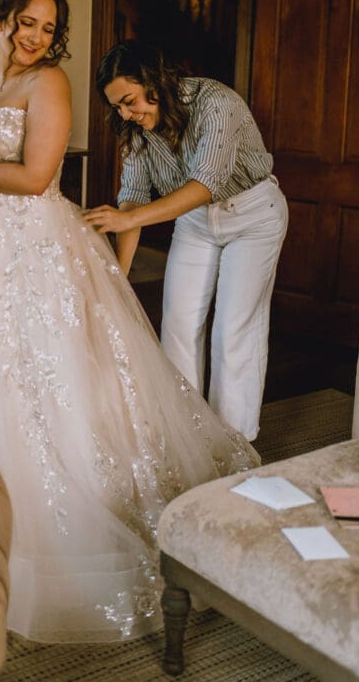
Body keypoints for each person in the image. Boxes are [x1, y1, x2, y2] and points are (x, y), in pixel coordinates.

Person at [0, 0, 259, 645]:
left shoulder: (49, 85)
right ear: (3, 17)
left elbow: (35, 177)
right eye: (28, 22)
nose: (36, 37)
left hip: (24, 241)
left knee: (28, 372)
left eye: (48, 27)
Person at [85, 39, 289, 442]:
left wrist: (127, 217)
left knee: (233, 330)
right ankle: (187, 438)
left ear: (153, 82)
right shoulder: (136, 128)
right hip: (195, 222)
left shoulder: (217, 102)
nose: (126, 114)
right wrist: (118, 278)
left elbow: (204, 185)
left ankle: (234, 442)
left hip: (253, 217)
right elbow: (133, 198)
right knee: (177, 324)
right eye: (117, 108)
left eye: (129, 101)